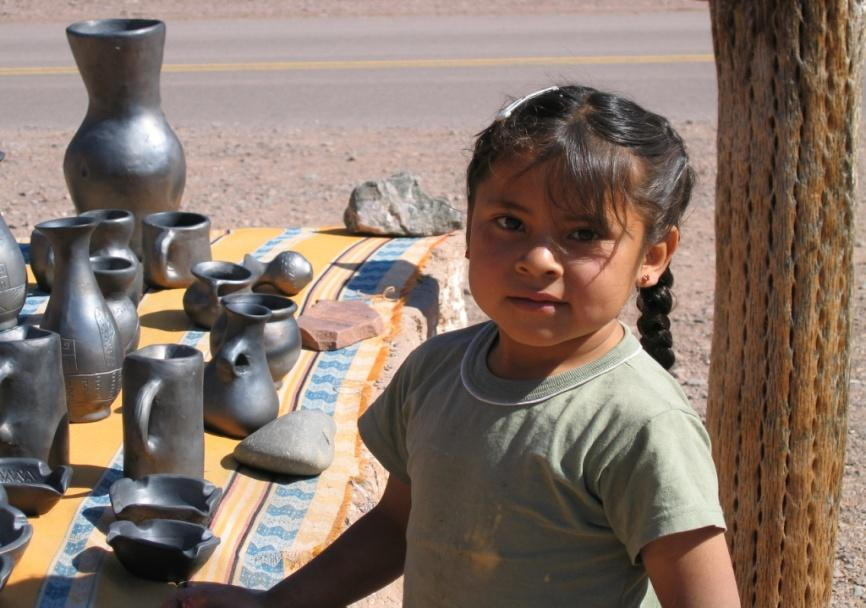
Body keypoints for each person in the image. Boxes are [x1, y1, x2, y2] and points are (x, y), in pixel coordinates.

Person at [164, 84, 740, 607]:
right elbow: (397, 526)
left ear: (654, 258)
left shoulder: (641, 424)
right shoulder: (437, 370)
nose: (537, 259)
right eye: (510, 223)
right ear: (467, 226)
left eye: (583, 235)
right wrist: (275, 605)